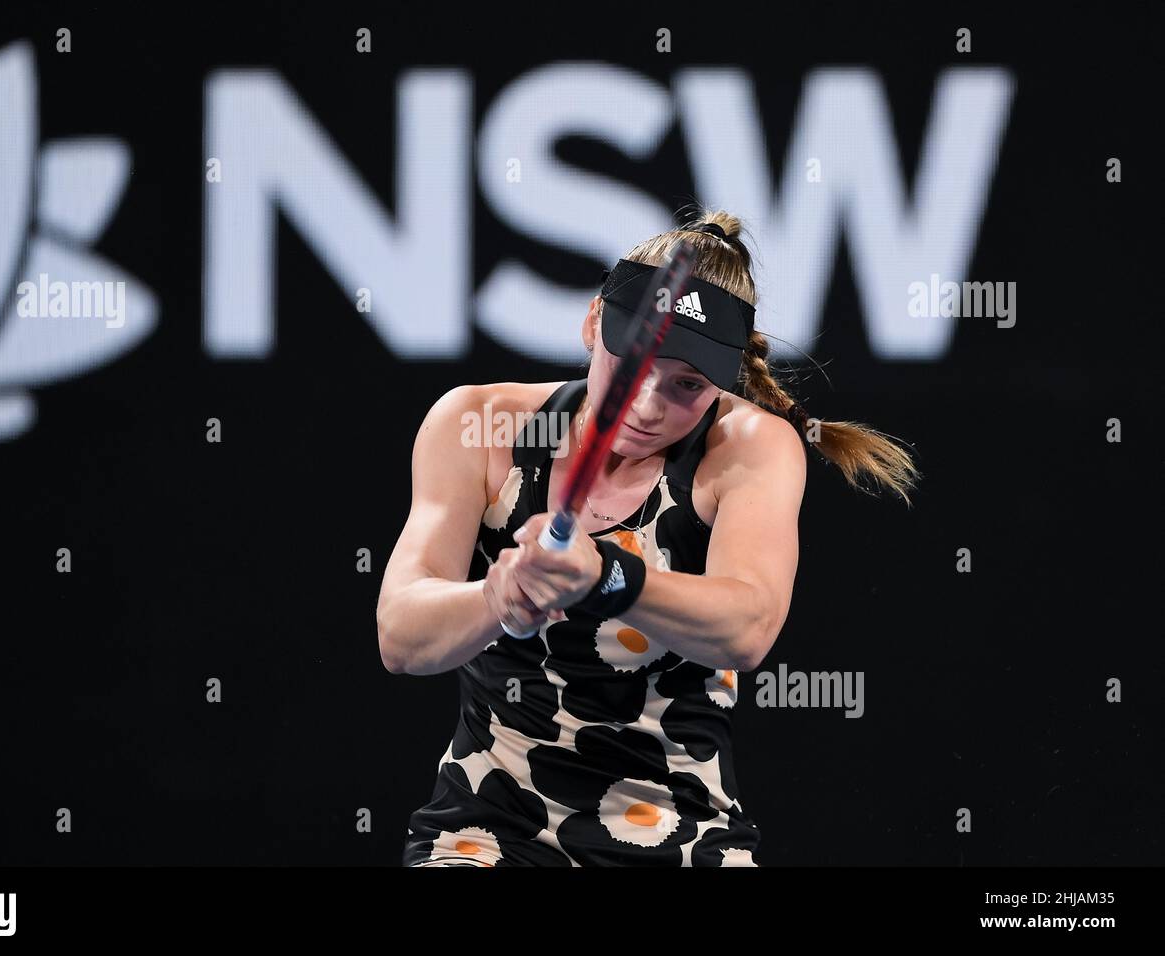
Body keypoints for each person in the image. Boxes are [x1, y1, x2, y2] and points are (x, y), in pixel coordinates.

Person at [377, 211, 920, 866]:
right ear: (591, 324)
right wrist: (498, 594)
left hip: (680, 838)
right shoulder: (477, 422)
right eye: (631, 362)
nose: (646, 403)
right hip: (485, 836)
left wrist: (605, 576)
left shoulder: (752, 448)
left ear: (722, 384)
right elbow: (401, 636)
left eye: (687, 385)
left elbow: (747, 627)